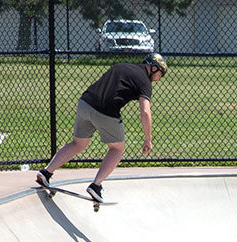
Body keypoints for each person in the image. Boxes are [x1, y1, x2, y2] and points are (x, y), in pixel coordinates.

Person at [34, 53, 165, 205]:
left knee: (78, 143)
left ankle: (46, 172)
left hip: (85, 103)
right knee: (117, 149)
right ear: (153, 67)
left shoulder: (121, 66)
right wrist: (148, 139)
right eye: (160, 74)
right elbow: (145, 112)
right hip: (106, 111)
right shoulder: (144, 82)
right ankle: (96, 186)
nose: (158, 79)